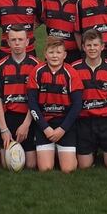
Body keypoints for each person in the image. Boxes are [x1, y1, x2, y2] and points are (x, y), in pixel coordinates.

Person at [27, 36, 83, 173]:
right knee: (45, 168)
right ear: (45, 54)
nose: (55, 56)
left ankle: (60, 152)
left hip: (65, 125)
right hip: (44, 125)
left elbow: (77, 105)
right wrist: (45, 128)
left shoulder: (71, 73)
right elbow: (32, 103)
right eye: (51, 52)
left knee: (68, 169)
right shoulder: (37, 71)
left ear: (64, 55)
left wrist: (62, 129)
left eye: (58, 52)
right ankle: (53, 150)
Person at [72, 30, 107, 170]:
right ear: (83, 47)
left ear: (102, 46)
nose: (92, 48)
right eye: (89, 45)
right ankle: (91, 149)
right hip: (84, 121)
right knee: (84, 166)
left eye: (95, 45)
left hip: (105, 121)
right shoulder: (74, 68)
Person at [0, 25, 40, 169]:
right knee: (5, 164)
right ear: (8, 42)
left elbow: (37, 100)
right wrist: (3, 129)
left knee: (31, 164)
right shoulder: (0, 66)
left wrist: (26, 125)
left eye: (20, 39)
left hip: (29, 117)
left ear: (27, 42)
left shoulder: (36, 65)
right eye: (13, 40)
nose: (17, 43)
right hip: (9, 118)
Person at [42, 0, 82, 64]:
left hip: (73, 54)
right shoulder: (46, 2)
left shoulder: (79, 4)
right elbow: (36, 22)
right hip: (52, 53)